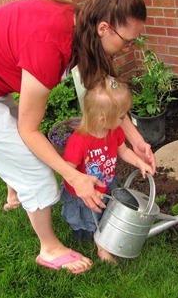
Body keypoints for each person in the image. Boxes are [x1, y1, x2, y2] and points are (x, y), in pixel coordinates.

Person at [0, 0, 155, 274]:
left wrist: (136, 140)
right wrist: (74, 176)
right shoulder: (49, 45)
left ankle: (15, 191)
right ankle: (49, 248)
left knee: (15, 147)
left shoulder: (82, 26)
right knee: (36, 170)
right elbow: (29, 130)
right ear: (104, 28)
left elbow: (106, 92)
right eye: (128, 41)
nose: (129, 47)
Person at [61, 76, 154, 264]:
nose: (124, 120)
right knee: (94, 221)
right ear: (103, 119)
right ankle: (101, 247)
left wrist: (139, 163)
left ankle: (102, 240)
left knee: (108, 215)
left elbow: (124, 151)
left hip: (106, 182)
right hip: (86, 194)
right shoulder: (78, 142)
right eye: (122, 117)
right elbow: (67, 171)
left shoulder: (113, 130)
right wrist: (86, 187)